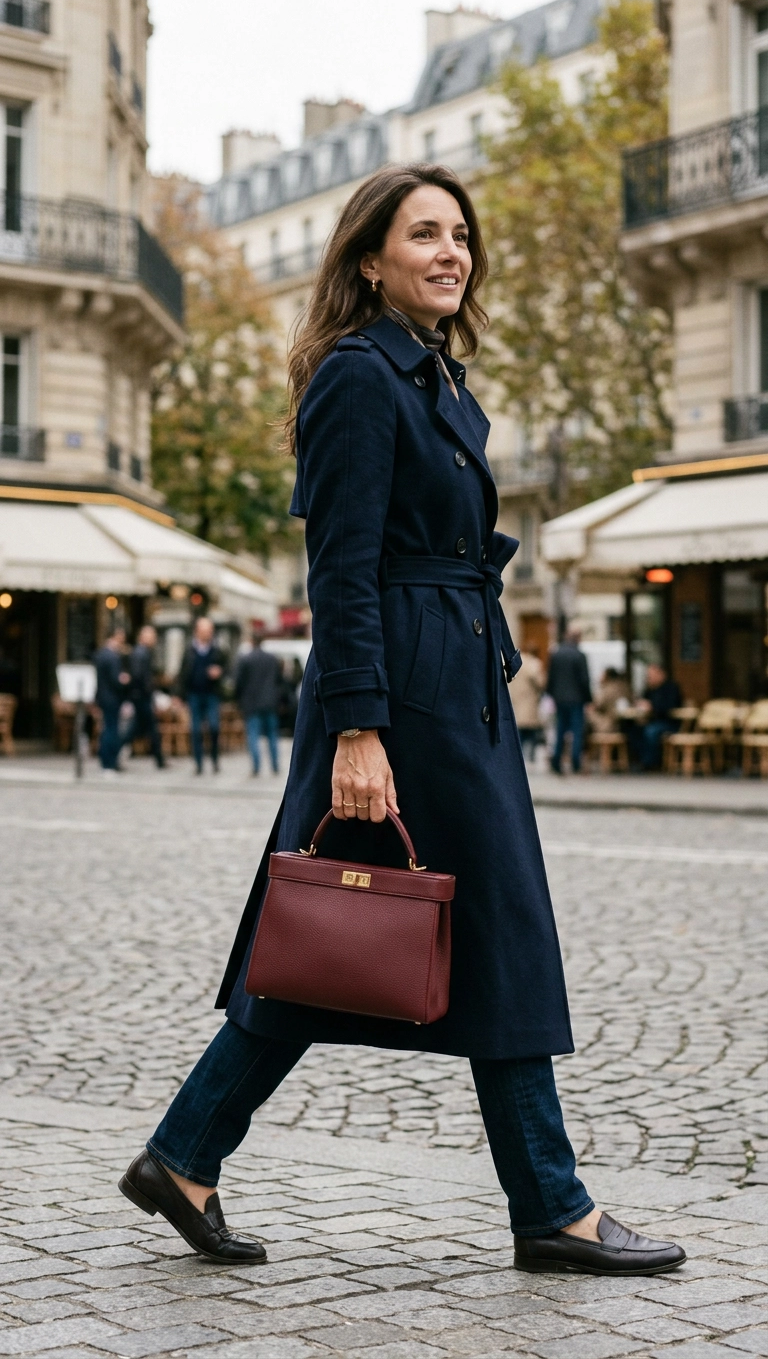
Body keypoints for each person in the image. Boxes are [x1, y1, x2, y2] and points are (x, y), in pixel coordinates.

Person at [119, 165, 685, 1277]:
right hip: (409, 697)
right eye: (424, 232)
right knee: (435, 930)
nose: (451, 251)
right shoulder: (361, 377)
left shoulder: (432, 376)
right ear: (369, 258)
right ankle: (552, 1205)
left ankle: (185, 1153)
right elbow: (341, 570)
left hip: (454, 681)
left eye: (462, 235)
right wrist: (359, 731)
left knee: (365, 940)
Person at [178, 617, 225, 775]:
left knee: (214, 727)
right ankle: (198, 763)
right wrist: (179, 695)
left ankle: (214, 759)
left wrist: (220, 673)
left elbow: (228, 669)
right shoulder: (189, 650)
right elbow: (183, 673)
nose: (208, 634)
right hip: (194, 694)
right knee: (196, 730)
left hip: (211, 694)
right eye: (205, 631)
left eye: (210, 631)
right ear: (197, 632)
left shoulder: (217, 651)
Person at [546, 622, 592, 774]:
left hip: (560, 699)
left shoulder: (556, 654)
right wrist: (588, 699)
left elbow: (551, 678)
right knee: (577, 731)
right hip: (576, 699)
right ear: (577, 637)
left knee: (560, 730)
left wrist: (552, 694)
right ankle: (575, 763)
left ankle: (557, 761)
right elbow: (584, 680)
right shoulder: (579, 655)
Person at [234, 632, 281, 775]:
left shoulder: (246, 659)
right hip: (270, 702)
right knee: (272, 735)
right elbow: (279, 681)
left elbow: (238, 683)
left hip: (252, 703)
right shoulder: (272, 659)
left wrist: (239, 699)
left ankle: (256, 767)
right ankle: (275, 765)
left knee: (253, 735)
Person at [126, 626, 166, 769]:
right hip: (141, 696)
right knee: (144, 728)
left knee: (145, 728)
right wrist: (148, 689)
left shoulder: (142, 653)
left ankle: (159, 760)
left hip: (141, 696)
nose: (154, 639)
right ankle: (159, 760)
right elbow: (139, 676)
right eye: (152, 636)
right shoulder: (141, 653)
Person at [93, 627, 130, 774]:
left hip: (103, 697)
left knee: (107, 728)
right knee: (111, 729)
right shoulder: (113, 657)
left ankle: (106, 760)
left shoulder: (100, 655)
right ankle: (109, 762)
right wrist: (124, 680)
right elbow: (116, 680)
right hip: (113, 698)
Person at [634, 663, 682, 770]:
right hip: (652, 721)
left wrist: (652, 706)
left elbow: (670, 708)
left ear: (661, 674)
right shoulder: (650, 689)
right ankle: (641, 760)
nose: (649, 678)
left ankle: (652, 763)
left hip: (669, 722)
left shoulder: (671, 688)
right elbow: (643, 702)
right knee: (634, 729)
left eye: (651, 675)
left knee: (651, 731)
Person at [510, 642, 545, 762]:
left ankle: (518, 755)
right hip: (529, 700)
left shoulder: (518, 660)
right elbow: (540, 683)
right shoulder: (534, 664)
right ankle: (530, 756)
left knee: (519, 729)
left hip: (517, 699)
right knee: (531, 731)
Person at [587, 666, 630, 735]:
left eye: (602, 674)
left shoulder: (607, 688)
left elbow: (597, 704)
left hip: (607, 724)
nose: (600, 677)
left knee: (585, 714)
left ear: (607, 676)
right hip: (616, 724)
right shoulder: (621, 687)